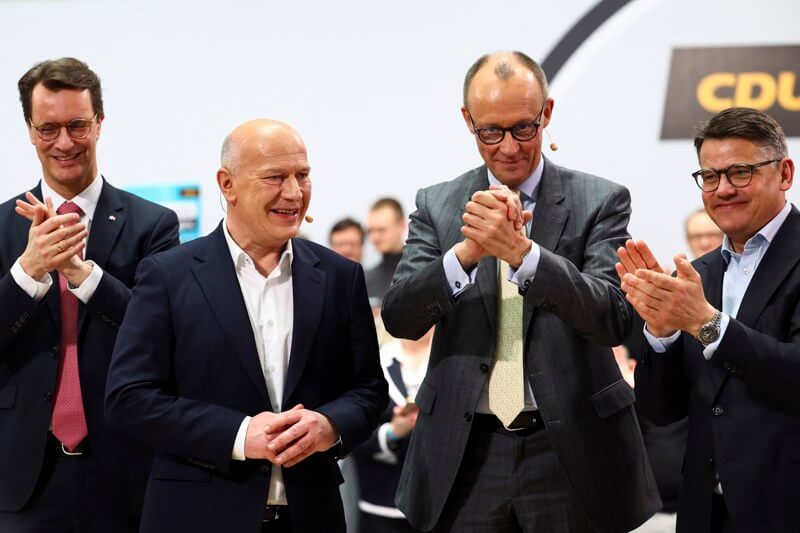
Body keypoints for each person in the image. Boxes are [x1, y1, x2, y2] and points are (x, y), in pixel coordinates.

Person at [382, 50, 660, 532]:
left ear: (546, 113)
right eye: (491, 131)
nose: (509, 147)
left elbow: (611, 318)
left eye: (524, 128)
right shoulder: (437, 204)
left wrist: (523, 255)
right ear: (468, 121)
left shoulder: (600, 200)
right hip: (465, 450)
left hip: (572, 448)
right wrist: (465, 254)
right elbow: (400, 316)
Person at [105, 118, 388, 533]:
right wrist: (238, 435)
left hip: (312, 516)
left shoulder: (340, 277)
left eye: (302, 175)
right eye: (275, 177)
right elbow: (129, 397)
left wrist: (329, 425)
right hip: (196, 517)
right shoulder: (168, 276)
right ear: (227, 184)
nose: (294, 192)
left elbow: (369, 390)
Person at [0, 57, 180, 532]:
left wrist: (81, 274)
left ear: (99, 123)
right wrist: (29, 270)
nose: (64, 143)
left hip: (124, 469)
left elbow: (159, 336)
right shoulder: (0, 227)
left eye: (77, 125)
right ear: (30, 130)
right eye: (49, 128)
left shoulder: (153, 225)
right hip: (22, 477)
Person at [617, 107, 798, 532]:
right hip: (703, 512)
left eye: (741, 173)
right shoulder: (699, 274)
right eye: (710, 176)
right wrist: (660, 332)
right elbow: (661, 411)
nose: (723, 189)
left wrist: (707, 323)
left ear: (784, 174)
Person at [353, 327, 433, 533]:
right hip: (381, 500)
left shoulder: (449, 363)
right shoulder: (375, 362)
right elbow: (352, 432)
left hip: (437, 502)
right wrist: (392, 433)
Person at [365, 197, 406, 307]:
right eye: (370, 231)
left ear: (402, 225)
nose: (374, 237)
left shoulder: (422, 272)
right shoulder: (365, 280)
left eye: (381, 230)